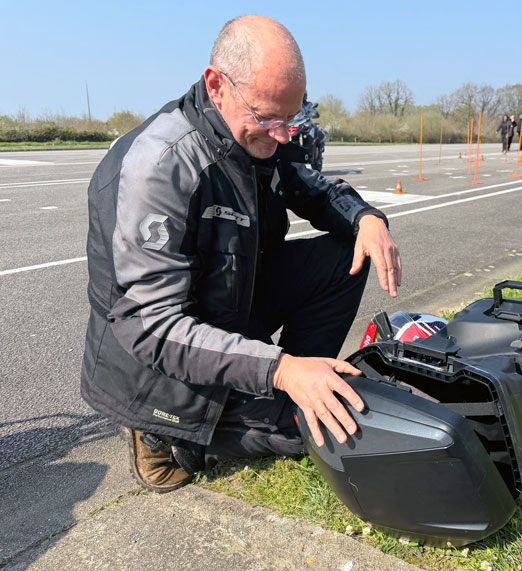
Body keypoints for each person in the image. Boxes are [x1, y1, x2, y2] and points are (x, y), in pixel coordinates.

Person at [81, 16, 401, 493]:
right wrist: (280, 369)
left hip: (228, 303)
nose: (283, 134)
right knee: (316, 431)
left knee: (345, 256)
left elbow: (312, 187)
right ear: (217, 86)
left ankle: (304, 384)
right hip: (160, 362)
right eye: (270, 118)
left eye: (292, 118)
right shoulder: (161, 166)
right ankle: (165, 434)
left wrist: (366, 219)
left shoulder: (259, 134)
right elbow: (150, 327)